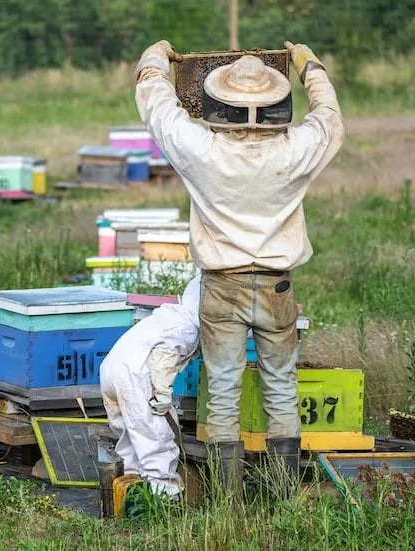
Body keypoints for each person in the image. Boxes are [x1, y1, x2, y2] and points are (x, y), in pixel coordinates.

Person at [132, 40, 344, 492]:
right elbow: (328, 116)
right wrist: (310, 66)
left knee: (223, 395)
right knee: (282, 389)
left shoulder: (200, 149)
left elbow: (154, 100)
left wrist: (156, 57)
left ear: (219, 103)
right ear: (276, 104)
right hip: (276, 287)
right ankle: (283, 496)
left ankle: (227, 500)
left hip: (221, 285)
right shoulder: (297, 149)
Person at [100, 275, 201, 498]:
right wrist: (163, 394)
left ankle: (130, 493)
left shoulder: (169, 315)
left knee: (133, 440)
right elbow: (164, 356)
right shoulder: (188, 326)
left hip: (110, 370)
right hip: (135, 377)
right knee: (156, 438)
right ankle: (164, 501)